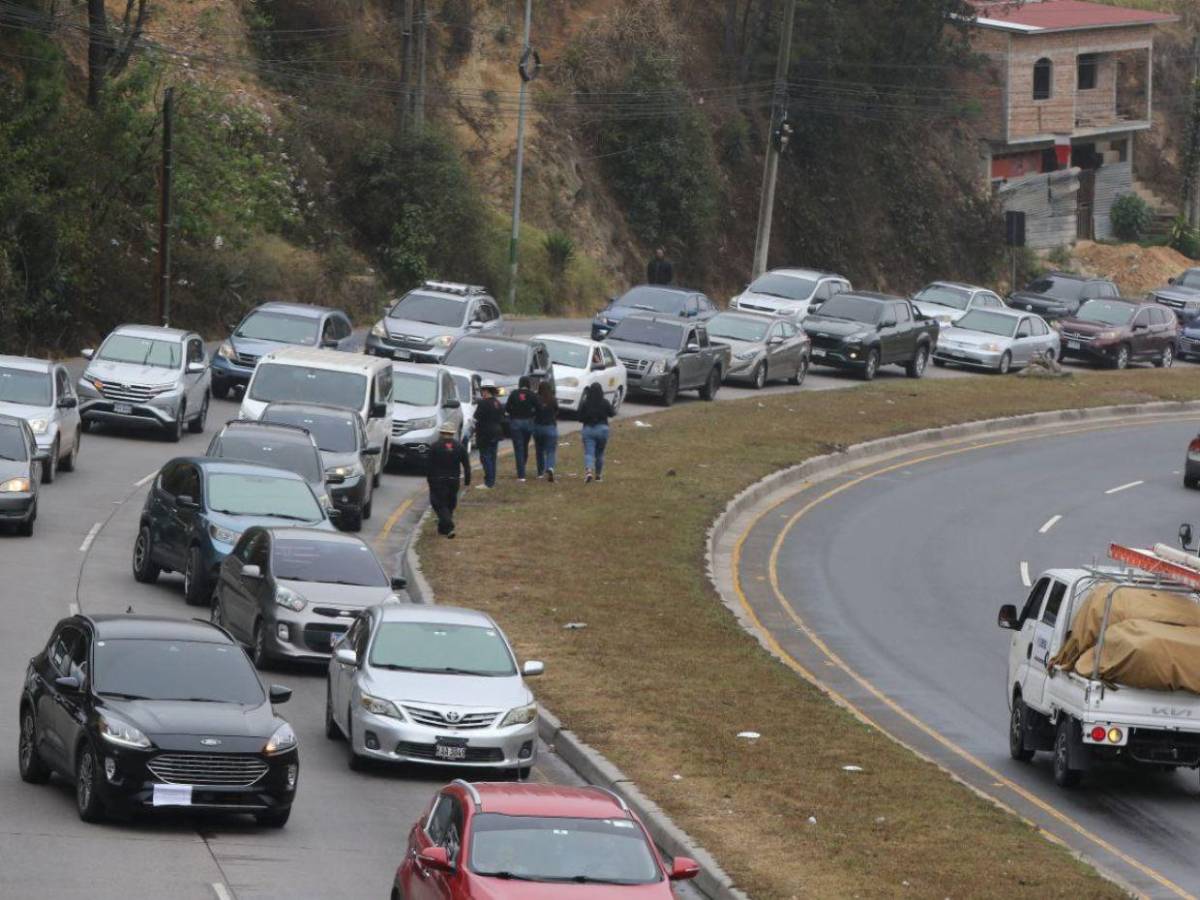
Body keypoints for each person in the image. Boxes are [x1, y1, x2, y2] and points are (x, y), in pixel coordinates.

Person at [426, 422, 470, 538]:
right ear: (453, 433)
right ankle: (443, 529)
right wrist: (467, 481)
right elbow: (466, 465)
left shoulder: (435, 446)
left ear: (441, 432)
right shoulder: (460, 447)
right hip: (454, 480)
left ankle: (449, 527)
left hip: (438, 480)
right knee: (450, 504)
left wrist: (430, 480)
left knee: (439, 504)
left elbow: (429, 465)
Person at [505, 375, 541, 482]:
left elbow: (507, 408)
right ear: (528, 384)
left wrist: (513, 413)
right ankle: (523, 464)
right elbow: (539, 408)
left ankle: (521, 475)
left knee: (518, 448)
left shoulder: (514, 394)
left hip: (516, 422)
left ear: (520, 383)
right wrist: (532, 414)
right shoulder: (532, 395)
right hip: (528, 422)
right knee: (525, 445)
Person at [578, 382, 616, 483]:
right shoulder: (605, 402)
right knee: (599, 454)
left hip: (589, 429)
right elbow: (612, 413)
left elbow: (579, 418)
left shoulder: (586, 403)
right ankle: (598, 476)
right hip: (602, 429)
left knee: (589, 453)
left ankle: (589, 471)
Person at [473, 379, 505, 488]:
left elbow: (476, 418)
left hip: (485, 434)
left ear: (486, 390)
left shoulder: (483, 403)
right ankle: (492, 481)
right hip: (496, 432)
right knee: (492, 458)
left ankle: (488, 482)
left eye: (482, 390)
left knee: (485, 458)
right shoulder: (497, 402)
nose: (482, 393)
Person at [533, 380, 558, 482]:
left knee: (539, 451)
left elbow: (533, 411)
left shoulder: (536, 399)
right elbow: (556, 410)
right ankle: (550, 467)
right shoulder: (553, 399)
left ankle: (540, 472)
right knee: (550, 450)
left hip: (538, 427)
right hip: (550, 427)